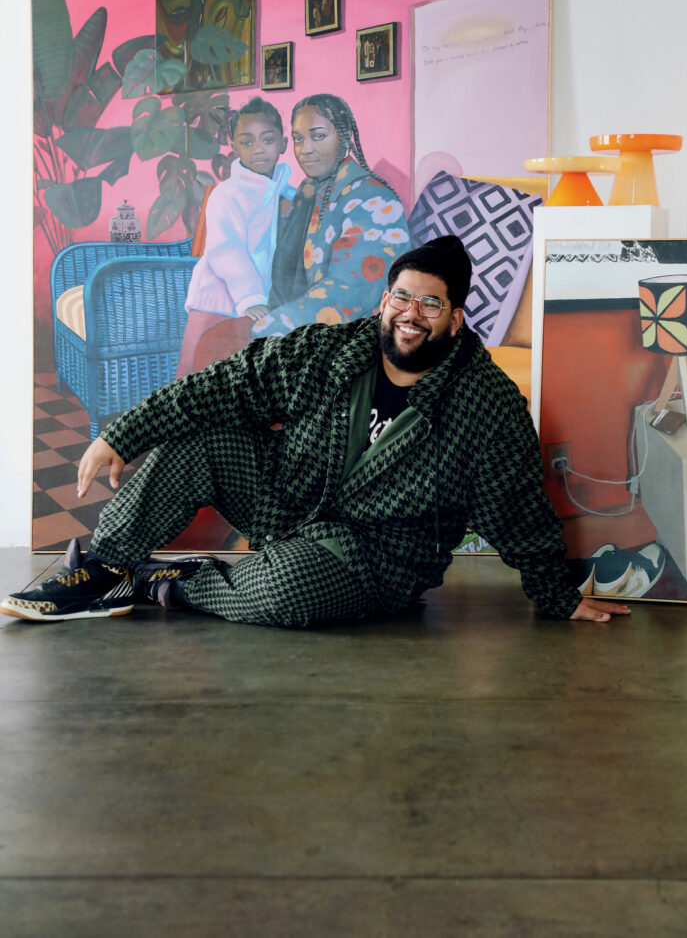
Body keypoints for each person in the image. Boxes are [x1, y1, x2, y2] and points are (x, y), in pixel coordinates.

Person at [1, 236, 629, 626]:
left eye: (431, 303)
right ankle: (105, 569)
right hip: (287, 501)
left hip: (373, 557)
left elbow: (514, 502)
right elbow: (222, 386)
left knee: (288, 590)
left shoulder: (484, 400)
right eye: (402, 297)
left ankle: (172, 582)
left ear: (457, 319)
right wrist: (126, 432)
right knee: (201, 434)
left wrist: (558, 594)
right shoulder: (328, 351)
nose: (411, 314)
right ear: (384, 300)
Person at [252, 93, 410, 339]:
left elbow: (352, 291)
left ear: (344, 138)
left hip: (355, 336)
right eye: (298, 138)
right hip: (298, 324)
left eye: (318, 136)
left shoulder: (373, 201)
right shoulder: (309, 189)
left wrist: (273, 325)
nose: (305, 149)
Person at [176, 97, 295, 376]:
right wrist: (251, 297)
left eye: (267, 140)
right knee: (199, 372)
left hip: (259, 306)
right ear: (234, 146)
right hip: (218, 300)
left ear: (283, 143)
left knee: (242, 377)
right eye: (247, 142)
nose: (258, 150)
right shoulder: (226, 194)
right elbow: (226, 250)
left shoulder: (286, 193)